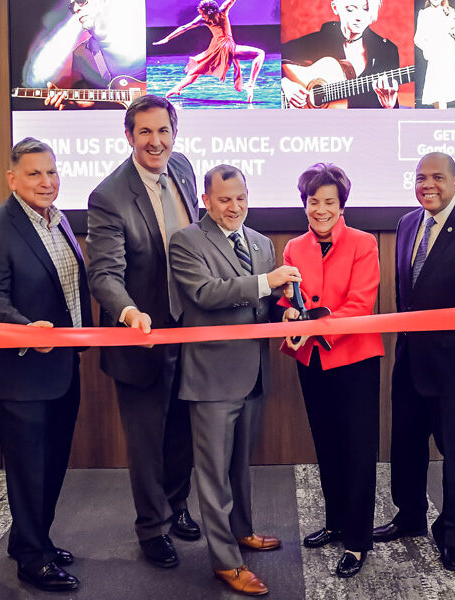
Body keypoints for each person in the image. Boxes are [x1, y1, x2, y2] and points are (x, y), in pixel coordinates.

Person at [0, 138, 92, 591]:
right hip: (20, 372)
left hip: (61, 366)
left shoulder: (59, 221)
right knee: (27, 469)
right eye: (35, 173)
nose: (46, 181)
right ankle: (31, 559)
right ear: (12, 178)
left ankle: (33, 539)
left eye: (52, 172)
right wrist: (24, 328)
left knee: (53, 462)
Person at [373, 152, 455, 572]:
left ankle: (451, 534)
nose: (427, 184)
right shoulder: (408, 223)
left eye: (436, 177)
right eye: (420, 177)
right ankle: (410, 515)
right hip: (411, 361)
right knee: (407, 446)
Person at [168, 165, 301, 596]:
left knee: (240, 467)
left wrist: (286, 310)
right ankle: (225, 561)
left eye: (241, 197)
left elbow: (263, 305)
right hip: (210, 378)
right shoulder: (186, 241)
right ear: (205, 200)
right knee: (212, 476)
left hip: (253, 374)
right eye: (225, 199)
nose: (235, 206)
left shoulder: (261, 242)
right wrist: (268, 281)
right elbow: (206, 294)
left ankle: (242, 531)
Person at [87, 95, 200, 568]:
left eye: (164, 131)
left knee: (182, 432)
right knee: (147, 440)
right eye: (145, 132)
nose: (156, 141)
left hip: (189, 332)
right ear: (129, 136)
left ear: (175, 133)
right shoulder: (109, 195)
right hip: (142, 336)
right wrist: (129, 312)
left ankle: (176, 508)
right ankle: (152, 527)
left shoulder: (186, 171)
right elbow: (104, 275)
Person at [279, 163, 384, 577]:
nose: (320, 210)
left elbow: (360, 304)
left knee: (358, 450)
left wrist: (314, 327)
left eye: (329, 202)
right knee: (326, 445)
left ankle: (358, 541)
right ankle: (336, 522)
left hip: (354, 358)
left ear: (342, 205)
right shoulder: (294, 248)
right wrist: (288, 316)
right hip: (312, 360)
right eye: (312, 202)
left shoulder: (364, 243)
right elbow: (288, 300)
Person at [281, 0, 400, 109]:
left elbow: (393, 117)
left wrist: (389, 107)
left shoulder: (387, 51)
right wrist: (285, 84)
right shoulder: (321, 39)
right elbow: (279, 57)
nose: (359, 17)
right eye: (350, 9)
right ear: (335, 8)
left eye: (366, 9)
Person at [153, 0, 265, 103]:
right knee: (260, 53)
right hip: (221, 48)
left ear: (211, 12)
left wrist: (167, 38)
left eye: (203, 14)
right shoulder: (209, 17)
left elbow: (184, 27)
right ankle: (250, 82)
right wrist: (167, 38)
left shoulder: (221, 12)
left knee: (199, 69)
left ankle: (177, 88)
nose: (202, 16)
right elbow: (184, 27)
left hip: (223, 48)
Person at [44, 0, 147, 109]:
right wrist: (72, 104)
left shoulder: (141, 36)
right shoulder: (80, 55)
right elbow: (82, 108)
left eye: (80, 1)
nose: (75, 9)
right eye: (71, 7)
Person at [414, 0, 455, 108]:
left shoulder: (449, 11)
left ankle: (443, 117)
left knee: (444, 89)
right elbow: (418, 38)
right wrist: (427, 50)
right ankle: (439, 116)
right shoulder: (424, 13)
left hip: (448, 53)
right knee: (435, 90)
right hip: (434, 54)